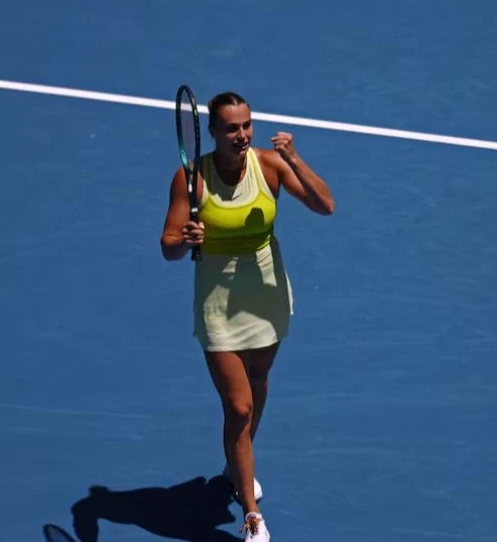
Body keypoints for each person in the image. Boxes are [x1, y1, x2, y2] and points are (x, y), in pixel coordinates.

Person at [160, 91, 335, 541]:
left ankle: (236, 466)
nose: (241, 135)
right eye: (232, 128)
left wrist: (294, 158)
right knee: (238, 407)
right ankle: (252, 513)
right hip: (217, 304)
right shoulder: (191, 179)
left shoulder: (269, 165)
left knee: (258, 384)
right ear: (213, 132)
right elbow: (169, 248)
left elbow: (325, 205)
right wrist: (189, 239)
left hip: (266, 295)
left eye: (247, 126)